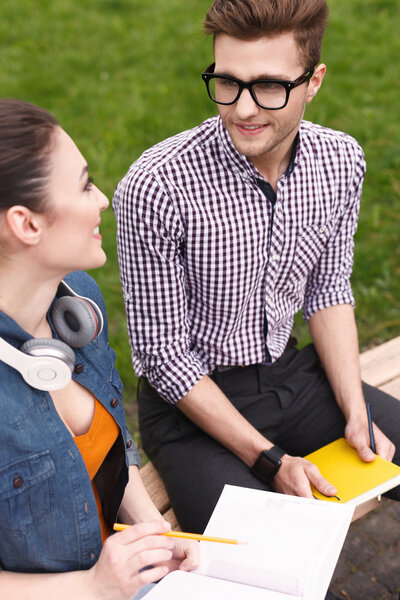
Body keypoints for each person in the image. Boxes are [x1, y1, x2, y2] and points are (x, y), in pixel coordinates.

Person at [113, 0, 400, 540]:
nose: (243, 108)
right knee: (266, 564)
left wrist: (354, 410)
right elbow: (163, 356)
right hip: (191, 413)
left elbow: (328, 290)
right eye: (227, 82)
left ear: (313, 81)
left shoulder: (341, 161)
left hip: (295, 378)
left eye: (269, 86)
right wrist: (271, 460)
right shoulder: (155, 186)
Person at [0, 99, 198, 599]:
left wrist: (156, 534)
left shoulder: (78, 302)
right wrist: (91, 588)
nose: (104, 199)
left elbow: (112, 452)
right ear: (27, 224)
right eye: (86, 184)